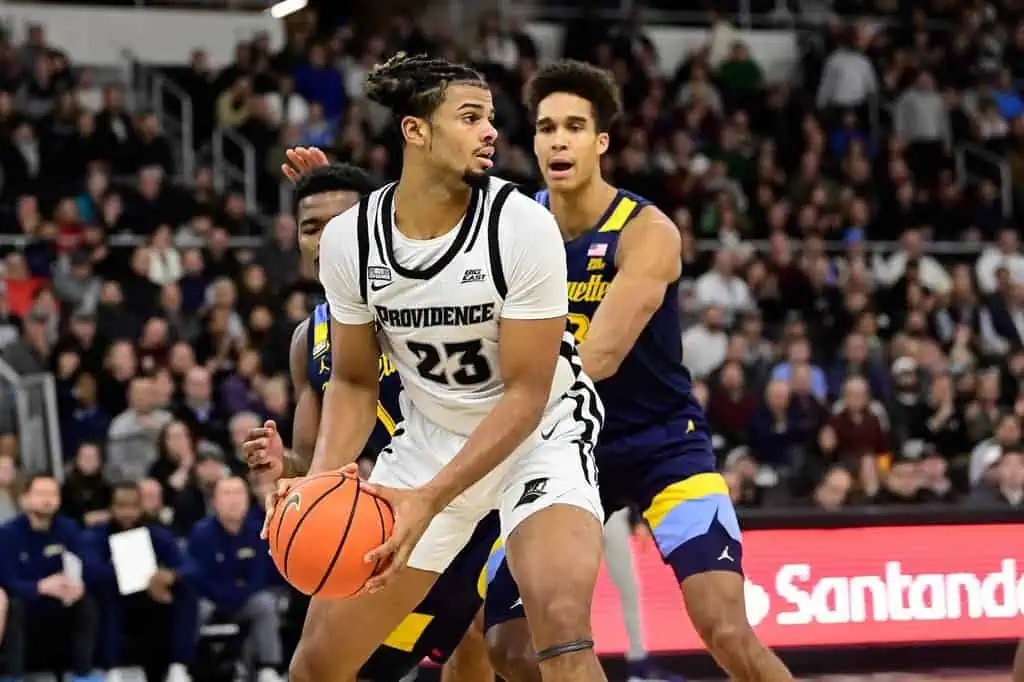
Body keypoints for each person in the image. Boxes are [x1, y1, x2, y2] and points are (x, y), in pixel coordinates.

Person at [271, 53, 607, 682]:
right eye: (470, 117)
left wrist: (429, 499)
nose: (491, 132)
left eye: (491, 119)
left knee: (558, 631)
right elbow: (351, 379)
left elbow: (527, 395)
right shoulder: (352, 241)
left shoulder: (522, 225)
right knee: (316, 666)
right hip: (431, 438)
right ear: (416, 131)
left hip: (541, 436)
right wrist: (319, 482)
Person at [482, 60, 795, 682]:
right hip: (563, 450)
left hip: (660, 443)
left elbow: (597, 356)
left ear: (601, 141)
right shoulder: (511, 228)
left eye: (575, 126)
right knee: (509, 647)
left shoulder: (648, 231)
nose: (559, 140)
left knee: (727, 631)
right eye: (547, 128)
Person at [243, 154, 496, 682]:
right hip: (387, 518)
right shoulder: (307, 340)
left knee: (486, 647)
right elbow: (315, 462)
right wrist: (280, 466)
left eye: (342, 224)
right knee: (321, 669)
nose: (326, 239)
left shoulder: (428, 292)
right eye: (312, 227)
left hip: (475, 496)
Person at [82, 481, 194, 682]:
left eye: (133, 506)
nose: (128, 513)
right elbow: (92, 572)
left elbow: (186, 566)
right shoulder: (96, 536)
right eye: (121, 506)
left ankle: (178, 667)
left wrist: (169, 576)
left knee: (186, 591)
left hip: (150, 601)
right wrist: (138, 576)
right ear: (111, 508)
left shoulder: (156, 533)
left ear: (142, 507)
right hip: (114, 599)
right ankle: (113, 670)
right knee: (106, 595)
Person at [0, 474, 100, 682]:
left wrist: (79, 585)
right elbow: (7, 580)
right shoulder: (9, 533)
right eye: (41, 493)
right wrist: (39, 587)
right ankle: (14, 676)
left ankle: (83, 674)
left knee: (87, 603)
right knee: (14, 606)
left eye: (53, 494)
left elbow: (87, 565)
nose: (48, 499)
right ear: (24, 499)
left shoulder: (69, 528)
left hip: (60, 599)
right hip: (26, 600)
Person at [185, 476, 281, 682]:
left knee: (265, 603)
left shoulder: (257, 531)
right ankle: (183, 665)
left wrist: (237, 595)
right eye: (227, 494)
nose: (233, 500)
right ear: (215, 502)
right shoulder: (201, 533)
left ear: (247, 499)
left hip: (244, 599)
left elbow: (258, 576)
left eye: (238, 493)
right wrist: (228, 595)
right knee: (192, 606)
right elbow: (199, 577)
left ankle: (268, 668)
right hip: (210, 600)